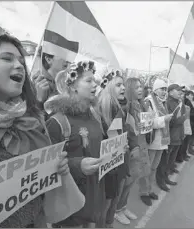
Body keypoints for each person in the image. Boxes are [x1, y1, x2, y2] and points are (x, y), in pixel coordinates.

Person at [0, 23, 69, 228]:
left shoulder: (30, 121)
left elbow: (38, 181)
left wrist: (56, 167)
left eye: (21, 61)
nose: (19, 66)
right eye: (7, 58)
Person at [45, 61, 105, 228]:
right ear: (72, 87)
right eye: (88, 81)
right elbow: (47, 166)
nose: (95, 84)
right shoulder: (57, 122)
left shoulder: (93, 114)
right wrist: (78, 165)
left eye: (95, 80)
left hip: (93, 196)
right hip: (70, 205)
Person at [114, 77, 151, 225]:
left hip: (141, 145)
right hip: (131, 148)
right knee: (127, 181)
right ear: (129, 90)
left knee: (134, 178)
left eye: (141, 87)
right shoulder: (126, 107)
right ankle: (117, 210)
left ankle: (123, 207)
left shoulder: (140, 105)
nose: (141, 89)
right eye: (136, 87)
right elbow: (128, 129)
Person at [96, 70, 130, 227]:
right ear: (108, 87)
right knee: (106, 205)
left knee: (111, 203)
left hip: (116, 165)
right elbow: (108, 141)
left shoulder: (117, 107)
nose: (123, 87)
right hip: (109, 169)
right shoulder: (106, 108)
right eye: (118, 85)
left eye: (123, 84)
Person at [143, 79, 173, 202]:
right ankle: (144, 192)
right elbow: (148, 123)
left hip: (162, 141)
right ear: (155, 89)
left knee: (154, 167)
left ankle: (149, 189)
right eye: (162, 89)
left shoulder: (162, 103)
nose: (164, 92)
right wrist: (164, 119)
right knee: (147, 168)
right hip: (152, 141)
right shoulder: (148, 102)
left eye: (166, 89)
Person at [31, 47, 69, 111]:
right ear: (48, 59)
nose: (67, 60)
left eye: (66, 56)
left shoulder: (64, 83)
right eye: (62, 55)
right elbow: (31, 116)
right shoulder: (37, 84)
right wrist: (39, 101)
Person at [166, 84, 187, 178]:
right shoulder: (168, 103)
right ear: (170, 92)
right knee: (168, 156)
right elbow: (172, 121)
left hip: (179, 134)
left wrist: (181, 102)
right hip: (172, 135)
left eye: (180, 90)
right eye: (177, 90)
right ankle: (166, 173)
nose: (180, 92)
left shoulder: (179, 102)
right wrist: (183, 118)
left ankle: (170, 168)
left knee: (173, 155)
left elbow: (183, 114)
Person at [176, 87, 191, 163]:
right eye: (181, 93)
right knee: (180, 143)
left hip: (185, 122)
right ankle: (179, 157)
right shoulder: (176, 102)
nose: (182, 95)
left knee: (185, 141)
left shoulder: (184, 102)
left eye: (183, 94)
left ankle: (183, 155)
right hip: (179, 124)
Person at [185, 90, 194, 156]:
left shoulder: (193, 102)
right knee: (190, 136)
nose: (192, 96)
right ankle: (188, 150)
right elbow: (187, 113)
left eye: (192, 95)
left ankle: (190, 149)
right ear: (187, 95)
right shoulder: (187, 102)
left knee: (193, 135)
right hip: (190, 121)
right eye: (190, 95)